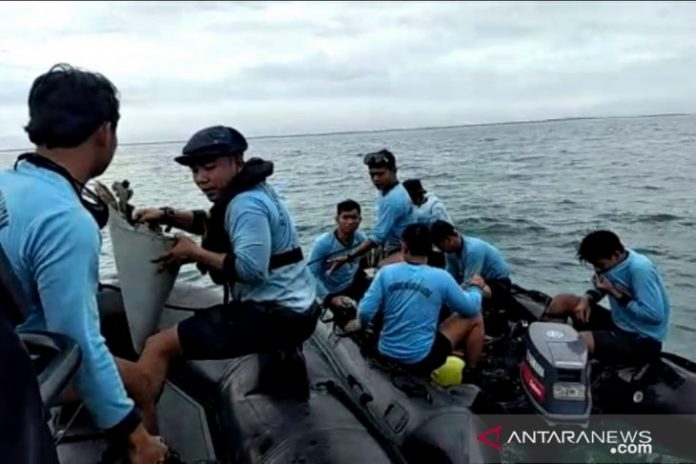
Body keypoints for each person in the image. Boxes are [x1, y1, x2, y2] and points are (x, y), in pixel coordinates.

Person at [0, 64, 167, 463]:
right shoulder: (64, 219)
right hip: (27, 365)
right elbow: (76, 339)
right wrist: (134, 434)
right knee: (141, 385)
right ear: (104, 132)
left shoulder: (7, 184)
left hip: (11, 346)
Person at [134, 125, 320, 401]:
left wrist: (194, 252)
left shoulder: (246, 204)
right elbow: (213, 224)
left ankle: (143, 438)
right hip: (297, 305)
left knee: (158, 345)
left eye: (209, 167)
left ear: (237, 161)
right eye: (195, 171)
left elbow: (250, 269)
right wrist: (167, 215)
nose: (201, 178)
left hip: (277, 313)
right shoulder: (255, 192)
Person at [345, 223, 487, 377]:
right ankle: (472, 370)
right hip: (421, 360)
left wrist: (361, 324)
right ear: (431, 248)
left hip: (385, 351)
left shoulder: (385, 273)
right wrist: (476, 288)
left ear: (404, 246)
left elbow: (365, 311)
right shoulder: (441, 277)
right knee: (475, 316)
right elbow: (471, 308)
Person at [544, 230, 670, 364]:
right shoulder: (613, 262)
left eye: (599, 265)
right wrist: (588, 298)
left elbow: (654, 316)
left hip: (642, 338)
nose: (597, 270)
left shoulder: (640, 270)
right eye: (594, 266)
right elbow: (602, 288)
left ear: (616, 255)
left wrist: (615, 292)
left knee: (581, 340)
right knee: (561, 301)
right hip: (619, 323)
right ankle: (542, 343)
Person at [328, 149, 416, 272]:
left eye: (380, 174)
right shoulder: (386, 189)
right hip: (390, 245)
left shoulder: (394, 199)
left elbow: (377, 237)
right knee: (363, 262)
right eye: (372, 174)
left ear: (394, 171)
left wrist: (349, 257)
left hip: (406, 248)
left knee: (380, 268)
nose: (375, 179)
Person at [431, 220, 513, 313]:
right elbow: (450, 277)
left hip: (497, 283)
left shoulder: (473, 250)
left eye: (439, 246)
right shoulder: (450, 252)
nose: (440, 250)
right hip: (477, 280)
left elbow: (469, 282)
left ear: (448, 240)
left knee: (464, 298)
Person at [308, 200, 370, 317]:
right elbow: (311, 274)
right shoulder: (323, 244)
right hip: (334, 291)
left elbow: (363, 260)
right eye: (345, 218)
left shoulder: (360, 239)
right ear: (337, 219)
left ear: (360, 220)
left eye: (354, 218)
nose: (350, 222)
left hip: (353, 282)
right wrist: (330, 298)